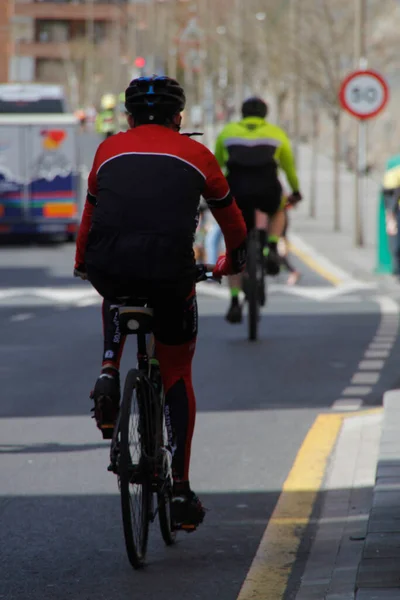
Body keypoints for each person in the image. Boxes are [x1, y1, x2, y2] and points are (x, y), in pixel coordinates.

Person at [74, 76, 247, 529]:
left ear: (128, 118)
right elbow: (232, 221)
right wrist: (231, 262)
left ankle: (109, 369)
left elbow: (90, 217)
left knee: (113, 285)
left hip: (108, 267)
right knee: (176, 371)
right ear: (179, 118)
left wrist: (81, 264)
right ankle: (181, 491)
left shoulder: (107, 150)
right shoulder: (197, 154)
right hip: (170, 276)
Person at [215, 97, 302, 323]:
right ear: (265, 113)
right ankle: (272, 246)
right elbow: (288, 167)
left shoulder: (227, 132)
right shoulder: (276, 133)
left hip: (236, 192)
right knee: (279, 209)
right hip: (267, 190)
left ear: (242, 113)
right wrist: (296, 190)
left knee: (234, 249)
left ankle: (234, 300)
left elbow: (216, 166)